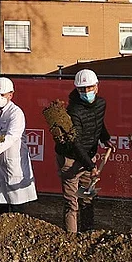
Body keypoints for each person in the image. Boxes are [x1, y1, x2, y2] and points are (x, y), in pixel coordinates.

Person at [55, 69, 115, 233]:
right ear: (77, 89)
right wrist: (91, 166)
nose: (87, 91)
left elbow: (98, 122)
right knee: (72, 202)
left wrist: (105, 138)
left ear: (97, 86)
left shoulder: (101, 104)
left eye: (90, 87)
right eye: (82, 89)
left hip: (89, 157)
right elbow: (76, 143)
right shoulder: (73, 111)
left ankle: (88, 235)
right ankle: (71, 240)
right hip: (70, 159)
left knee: (88, 198)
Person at [0, 77, 37, 214]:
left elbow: (11, 137)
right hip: (0, 163)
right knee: (0, 204)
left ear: (10, 95)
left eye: (2, 94)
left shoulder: (16, 113)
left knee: (17, 204)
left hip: (14, 162)